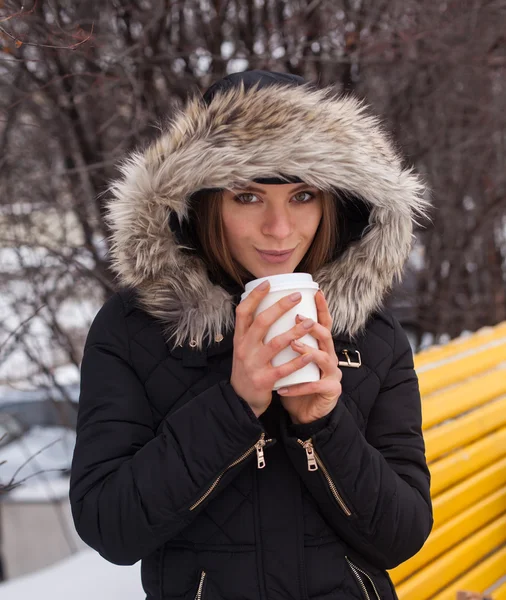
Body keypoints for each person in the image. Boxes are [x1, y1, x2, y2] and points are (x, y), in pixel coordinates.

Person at [69, 70, 433, 600]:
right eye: (248, 196)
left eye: (303, 195)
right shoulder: (135, 328)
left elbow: (402, 536)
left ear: (337, 202)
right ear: (202, 201)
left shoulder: (370, 333)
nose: (280, 229)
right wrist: (234, 406)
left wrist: (322, 425)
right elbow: (110, 527)